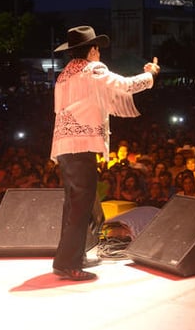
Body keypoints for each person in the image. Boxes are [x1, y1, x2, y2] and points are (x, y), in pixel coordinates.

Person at [50, 25, 159, 281]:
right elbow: (125, 85)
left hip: (64, 147)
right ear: (92, 50)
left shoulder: (65, 75)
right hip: (81, 146)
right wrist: (150, 74)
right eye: (97, 48)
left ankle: (70, 257)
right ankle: (68, 263)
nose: (99, 53)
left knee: (74, 205)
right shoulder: (94, 70)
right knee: (81, 206)